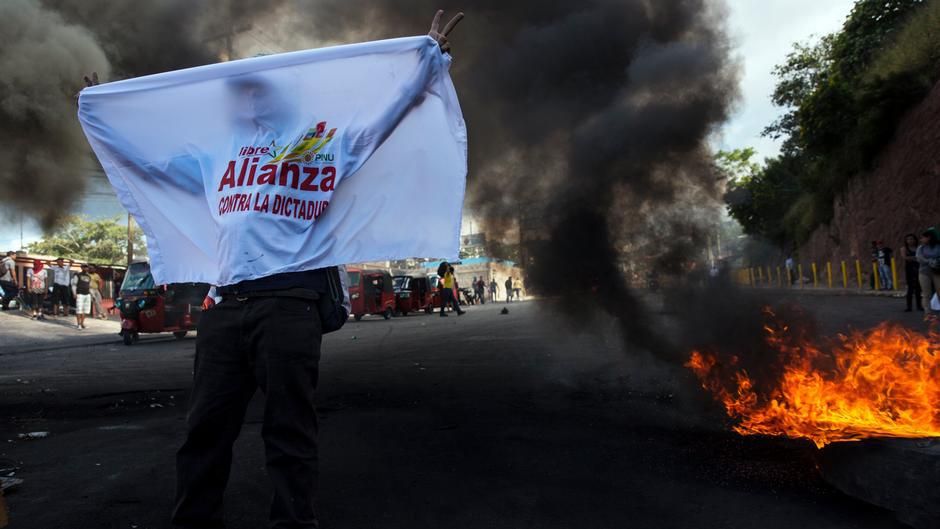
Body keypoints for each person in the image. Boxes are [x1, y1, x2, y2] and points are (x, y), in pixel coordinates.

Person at [100, 11, 464, 529]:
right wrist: (101, 117)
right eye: (243, 91)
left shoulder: (316, 142)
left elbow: (379, 124)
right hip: (224, 307)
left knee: (289, 433)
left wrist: (424, 63)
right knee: (204, 432)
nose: (250, 97)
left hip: (289, 304)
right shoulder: (217, 154)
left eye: (260, 89)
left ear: (282, 95)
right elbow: (150, 167)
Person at [916, 227, 940, 322]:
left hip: (937, 272)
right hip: (924, 272)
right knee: (926, 294)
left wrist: (937, 262)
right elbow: (919, 258)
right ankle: (928, 314)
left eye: (923, 238)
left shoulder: (938, 246)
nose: (921, 240)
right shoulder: (921, 248)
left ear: (929, 237)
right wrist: (929, 261)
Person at [901, 234, 923, 312]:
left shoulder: (919, 248)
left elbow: (921, 257)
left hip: (919, 268)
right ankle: (909, 307)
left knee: (918, 288)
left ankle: (919, 306)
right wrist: (915, 258)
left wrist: (914, 258)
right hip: (909, 269)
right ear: (906, 241)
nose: (910, 241)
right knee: (910, 288)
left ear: (915, 240)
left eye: (912, 239)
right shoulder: (904, 249)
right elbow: (905, 258)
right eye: (908, 239)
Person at [71, 264, 93, 330]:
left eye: (87, 267)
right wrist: (74, 293)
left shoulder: (89, 276)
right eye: (84, 267)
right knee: (79, 310)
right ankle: (79, 324)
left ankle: (82, 323)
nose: (86, 268)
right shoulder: (77, 275)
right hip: (80, 294)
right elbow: (74, 285)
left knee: (85, 310)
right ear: (82, 268)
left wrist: (92, 295)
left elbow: (90, 286)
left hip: (87, 294)